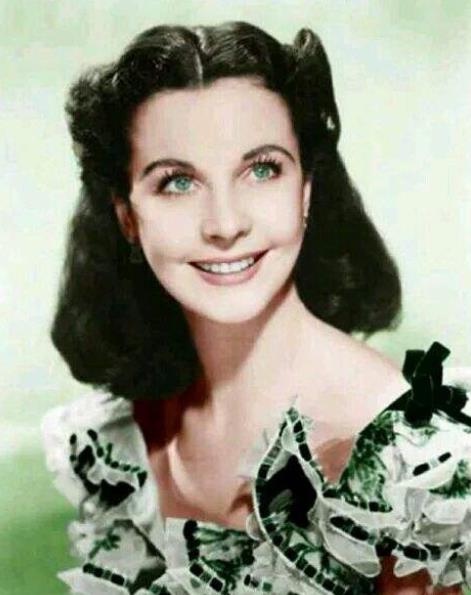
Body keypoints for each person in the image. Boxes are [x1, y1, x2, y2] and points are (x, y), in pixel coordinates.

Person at [41, 21, 470, 594]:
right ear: (127, 216)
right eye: (177, 182)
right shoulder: (118, 440)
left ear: (305, 190)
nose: (225, 224)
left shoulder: (405, 456)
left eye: (261, 169)